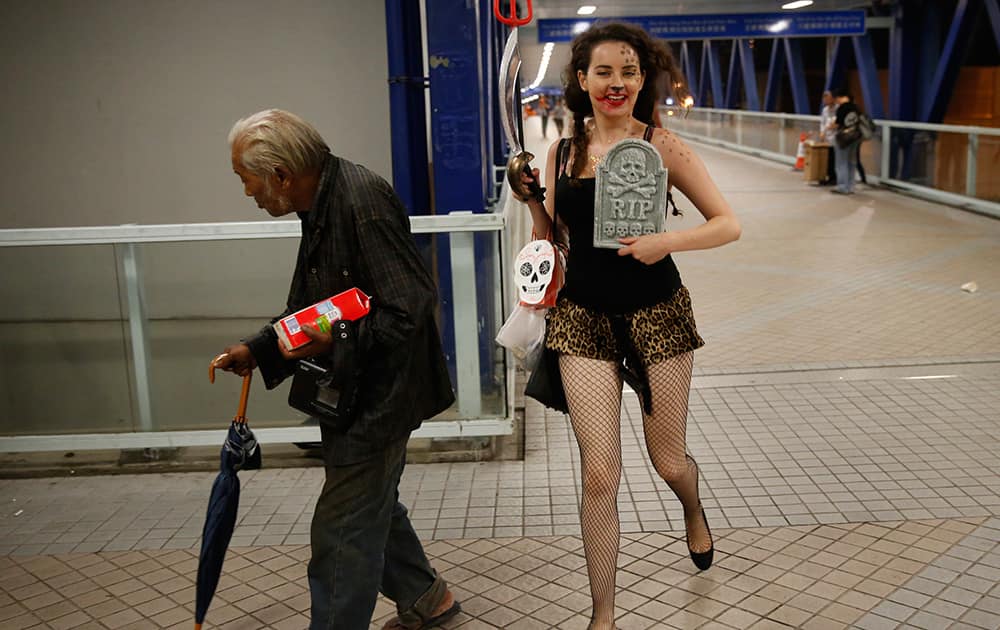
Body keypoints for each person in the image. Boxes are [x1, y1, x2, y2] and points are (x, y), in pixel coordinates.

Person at [514, 23, 741, 630]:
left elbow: (727, 224)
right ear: (582, 79)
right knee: (599, 471)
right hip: (583, 320)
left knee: (667, 460)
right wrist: (533, 199)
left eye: (630, 72)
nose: (617, 84)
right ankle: (604, 616)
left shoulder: (661, 146)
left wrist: (665, 240)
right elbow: (550, 240)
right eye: (604, 72)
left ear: (644, 80)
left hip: (657, 314)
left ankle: (691, 507)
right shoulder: (561, 152)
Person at [212, 109, 460, 630]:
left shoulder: (360, 201)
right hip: (358, 391)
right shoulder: (321, 200)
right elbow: (318, 305)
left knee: (342, 529)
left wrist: (339, 339)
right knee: (371, 504)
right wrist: (260, 349)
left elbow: (411, 306)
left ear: (281, 174)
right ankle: (426, 597)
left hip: (381, 398)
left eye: (246, 178)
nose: (247, 192)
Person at [832, 88, 861, 194]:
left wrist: (830, 126)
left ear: (841, 97)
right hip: (855, 137)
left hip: (844, 138)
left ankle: (842, 187)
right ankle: (851, 186)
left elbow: (836, 124)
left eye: (837, 99)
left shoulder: (842, 108)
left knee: (841, 162)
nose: (836, 101)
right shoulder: (856, 107)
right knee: (852, 162)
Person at [818, 89, 837, 186]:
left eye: (828, 99)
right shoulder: (825, 110)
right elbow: (823, 123)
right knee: (828, 159)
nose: (826, 102)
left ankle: (834, 178)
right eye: (825, 100)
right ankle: (828, 176)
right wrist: (822, 133)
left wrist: (835, 125)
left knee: (834, 159)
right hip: (827, 138)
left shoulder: (838, 109)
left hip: (836, 138)